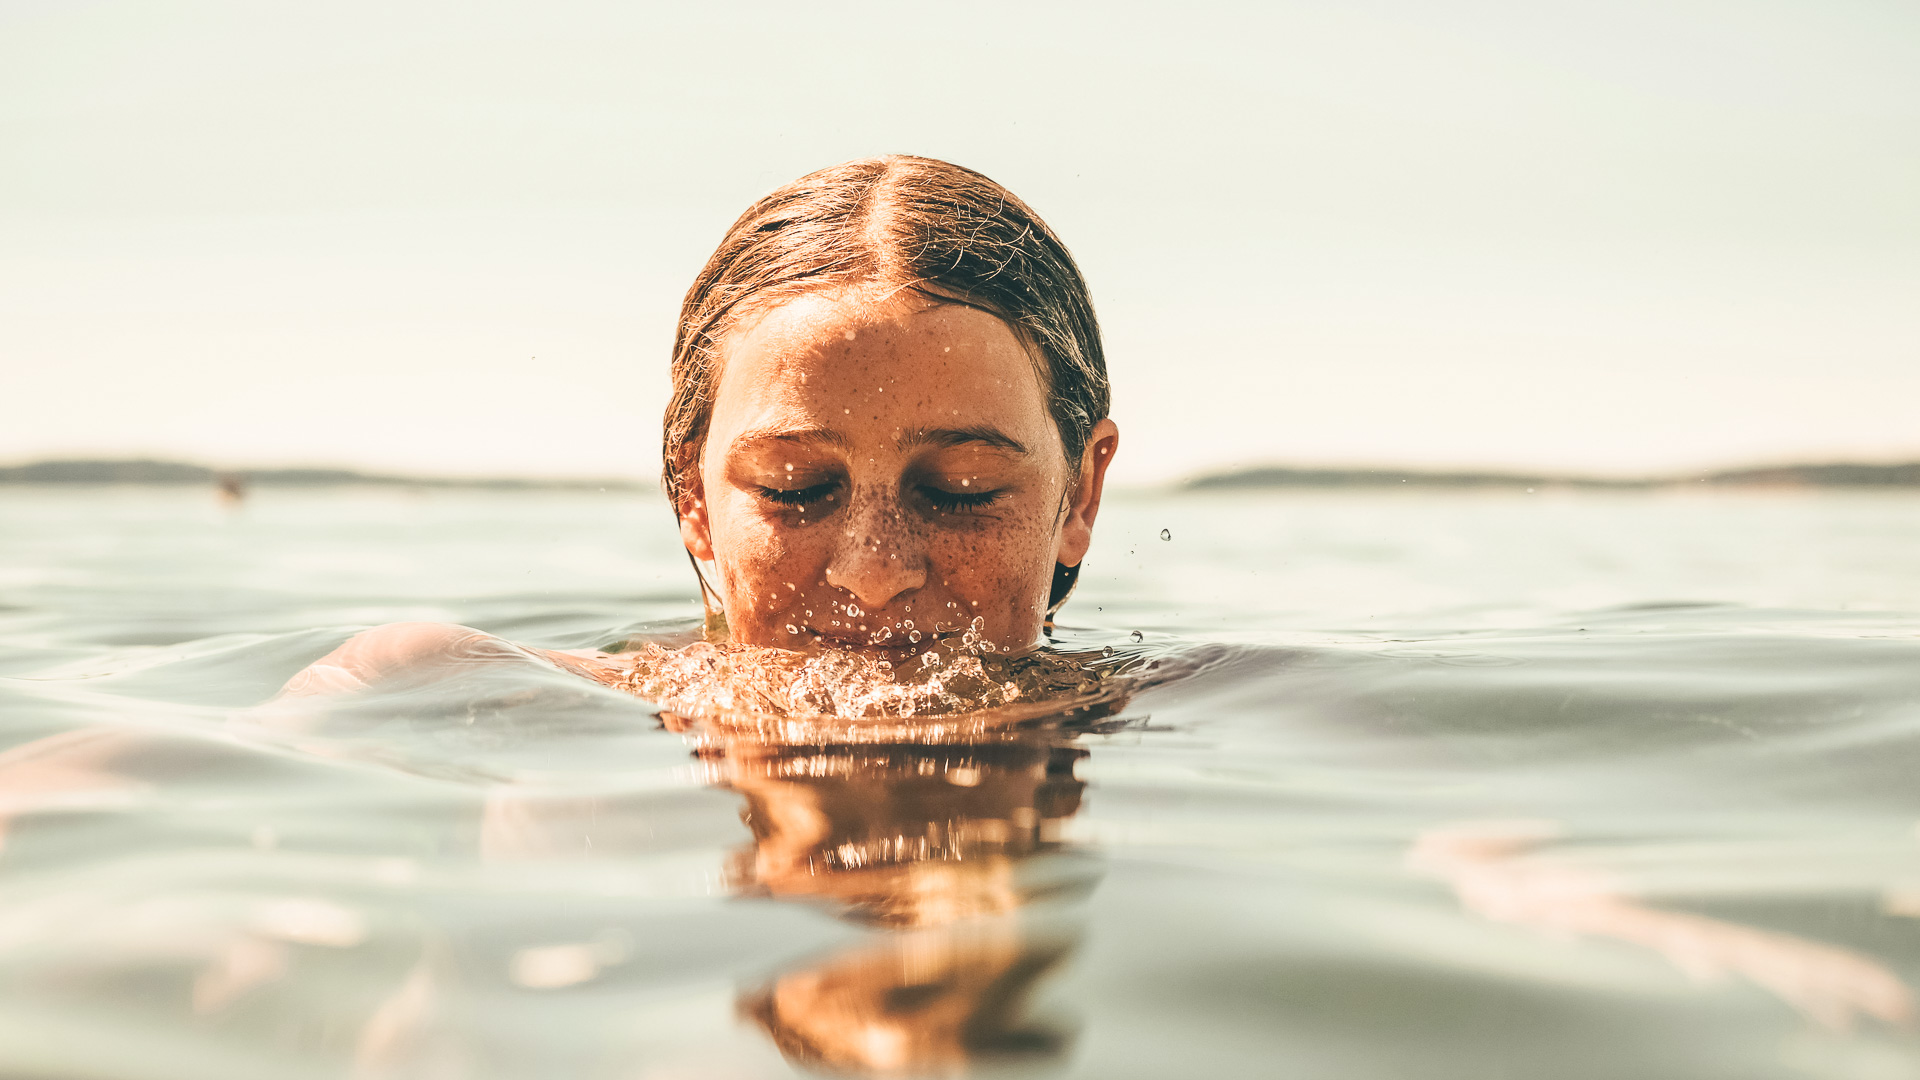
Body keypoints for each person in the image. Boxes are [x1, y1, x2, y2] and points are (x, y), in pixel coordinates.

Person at [282, 155, 1121, 697]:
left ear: (1078, 498)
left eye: (959, 491)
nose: (875, 571)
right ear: (694, 498)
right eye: (797, 489)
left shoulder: (1198, 711)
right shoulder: (469, 691)